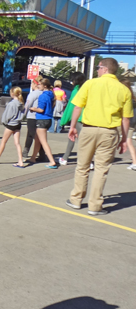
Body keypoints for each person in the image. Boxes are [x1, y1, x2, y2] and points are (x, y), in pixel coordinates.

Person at [66, 58, 133, 215]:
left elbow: (78, 106)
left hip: (89, 129)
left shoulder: (90, 84)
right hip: (109, 132)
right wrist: (124, 139)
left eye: (98, 67)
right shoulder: (124, 90)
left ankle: (76, 199)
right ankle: (95, 205)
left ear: (104, 69)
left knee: (82, 166)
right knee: (101, 169)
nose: (97, 70)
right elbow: (126, 118)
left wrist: (72, 126)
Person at [0, 86, 25, 167]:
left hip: (10, 124)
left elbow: (8, 115)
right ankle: (20, 161)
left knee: (3, 141)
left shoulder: (11, 104)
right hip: (18, 124)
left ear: (12, 94)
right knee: (17, 143)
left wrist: (4, 121)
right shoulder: (21, 104)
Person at [28, 78, 58, 168]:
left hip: (42, 119)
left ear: (44, 86)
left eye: (40, 84)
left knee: (43, 142)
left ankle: (52, 161)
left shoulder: (43, 96)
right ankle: (33, 157)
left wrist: (33, 109)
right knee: (37, 139)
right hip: (48, 119)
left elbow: (41, 109)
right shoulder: (51, 94)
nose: (38, 86)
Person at [58, 72, 87, 166]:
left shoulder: (76, 91)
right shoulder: (87, 89)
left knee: (73, 138)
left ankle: (66, 158)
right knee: (84, 141)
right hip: (87, 118)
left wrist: (64, 120)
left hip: (78, 118)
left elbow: (71, 106)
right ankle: (86, 160)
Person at [22, 80, 44, 159]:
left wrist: (22, 115)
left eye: (32, 83)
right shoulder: (43, 93)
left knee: (33, 134)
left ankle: (42, 153)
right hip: (41, 117)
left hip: (32, 116)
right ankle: (25, 151)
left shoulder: (33, 94)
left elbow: (27, 105)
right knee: (30, 134)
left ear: (35, 84)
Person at [120, 78, 136, 171]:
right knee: (129, 141)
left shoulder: (124, 95)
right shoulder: (132, 96)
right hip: (133, 121)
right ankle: (134, 162)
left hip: (127, 121)